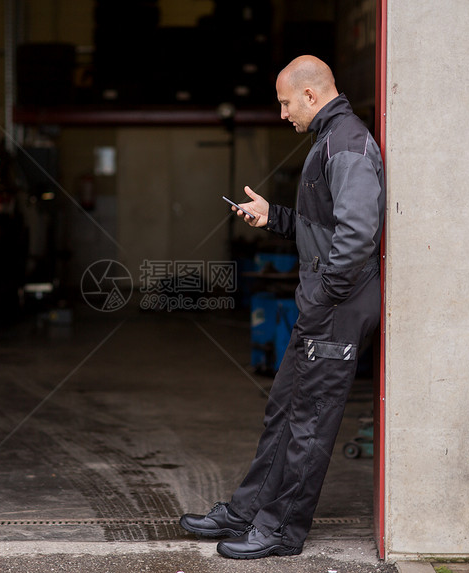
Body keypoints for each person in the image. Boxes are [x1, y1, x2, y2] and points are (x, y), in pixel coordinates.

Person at [179, 55, 385, 559]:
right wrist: (275, 217)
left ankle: (280, 531)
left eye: (285, 102)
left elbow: (358, 236)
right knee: (284, 412)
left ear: (312, 96)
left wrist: (323, 296)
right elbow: (329, 228)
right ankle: (249, 511)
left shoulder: (347, 143)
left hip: (336, 306)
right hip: (325, 304)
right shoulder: (330, 142)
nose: (282, 113)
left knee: (309, 422)